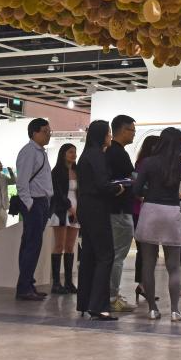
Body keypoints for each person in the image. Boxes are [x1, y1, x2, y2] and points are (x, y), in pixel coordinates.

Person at [133, 127, 181, 321]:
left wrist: (148, 193)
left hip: (150, 210)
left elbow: (136, 189)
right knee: (173, 266)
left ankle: (152, 309)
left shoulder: (148, 162)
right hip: (172, 211)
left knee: (148, 264)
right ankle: (175, 310)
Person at [76, 120, 125, 320]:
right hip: (96, 209)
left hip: (85, 207)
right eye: (109, 133)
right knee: (105, 256)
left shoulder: (86, 154)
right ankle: (98, 306)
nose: (110, 136)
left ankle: (85, 302)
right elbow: (102, 184)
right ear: (102, 135)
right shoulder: (97, 155)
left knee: (89, 255)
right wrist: (118, 188)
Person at [13, 118, 54, 300]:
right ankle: (24, 287)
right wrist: (29, 204)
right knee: (31, 245)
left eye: (49, 131)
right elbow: (22, 181)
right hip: (34, 203)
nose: (48, 135)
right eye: (45, 131)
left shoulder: (40, 152)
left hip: (41, 202)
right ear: (34, 133)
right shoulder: (29, 151)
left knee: (32, 245)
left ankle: (28, 283)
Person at [105, 114, 137, 312]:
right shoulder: (118, 154)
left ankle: (110, 294)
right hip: (119, 211)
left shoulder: (110, 152)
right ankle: (112, 296)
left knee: (113, 254)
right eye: (132, 130)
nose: (134, 134)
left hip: (114, 210)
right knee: (117, 255)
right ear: (123, 130)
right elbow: (130, 180)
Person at [131, 135, 161, 304]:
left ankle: (143, 284)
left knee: (146, 250)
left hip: (146, 210)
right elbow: (138, 188)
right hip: (142, 210)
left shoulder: (146, 163)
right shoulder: (144, 164)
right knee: (146, 250)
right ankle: (143, 285)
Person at [49, 143, 80, 294]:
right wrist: (69, 208)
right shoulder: (56, 172)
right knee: (59, 245)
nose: (73, 155)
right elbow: (57, 193)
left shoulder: (77, 171)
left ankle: (68, 282)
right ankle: (56, 283)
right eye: (70, 152)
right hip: (62, 210)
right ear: (63, 154)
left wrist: (77, 209)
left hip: (76, 210)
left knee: (70, 247)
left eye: (75, 152)